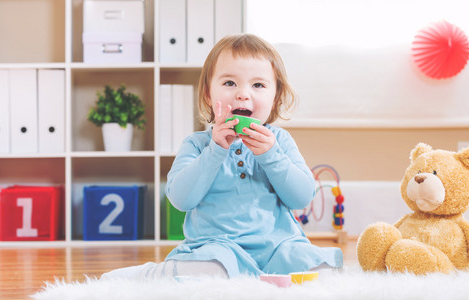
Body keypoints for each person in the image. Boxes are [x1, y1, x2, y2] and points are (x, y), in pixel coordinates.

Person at [102, 34, 343, 280]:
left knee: (320, 269)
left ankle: (263, 277)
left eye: (258, 85)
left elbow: (301, 197)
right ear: (208, 94)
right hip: (218, 247)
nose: (243, 94)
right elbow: (180, 199)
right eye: (229, 83)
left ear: (275, 98)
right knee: (209, 271)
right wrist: (215, 151)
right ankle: (150, 275)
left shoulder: (279, 142)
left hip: (279, 246)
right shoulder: (197, 144)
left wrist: (272, 157)